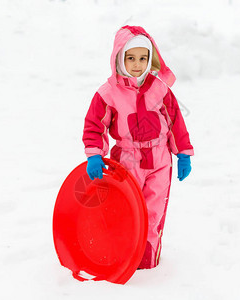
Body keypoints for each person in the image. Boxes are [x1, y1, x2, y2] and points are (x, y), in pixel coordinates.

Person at [82, 25, 194, 269]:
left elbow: (175, 121)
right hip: (127, 160)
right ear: (119, 58)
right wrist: (95, 155)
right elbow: (94, 126)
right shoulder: (108, 93)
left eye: (143, 58)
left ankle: (147, 260)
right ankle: (121, 253)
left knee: (153, 212)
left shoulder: (159, 88)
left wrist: (183, 153)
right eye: (130, 58)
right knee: (125, 210)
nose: (137, 64)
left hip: (160, 160)